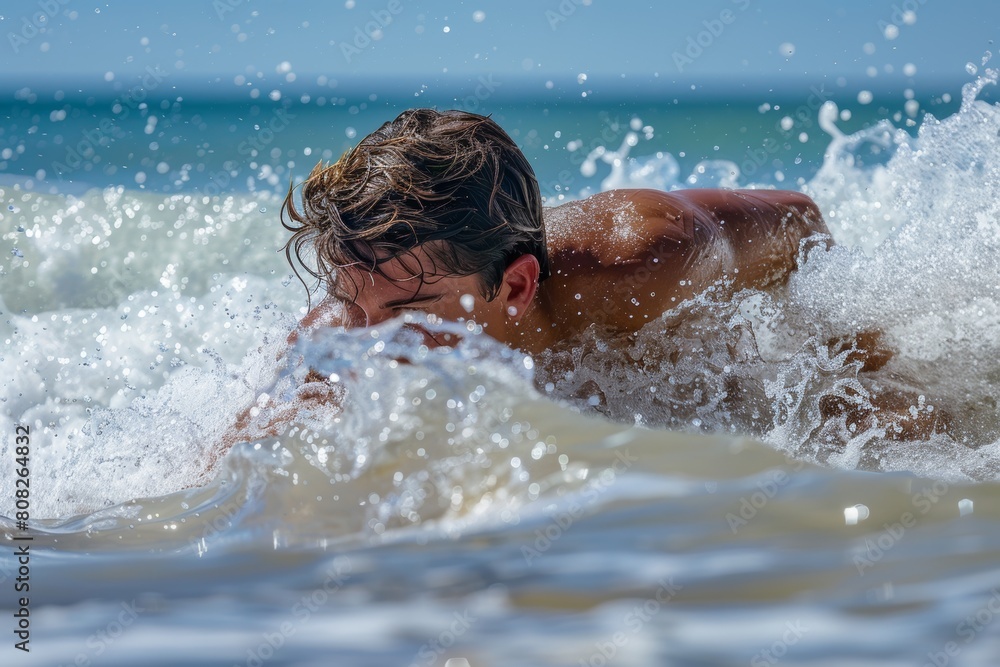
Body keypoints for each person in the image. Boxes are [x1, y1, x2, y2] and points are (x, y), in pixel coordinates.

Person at [282, 108, 830, 357]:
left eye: (408, 312)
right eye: (350, 303)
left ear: (517, 287)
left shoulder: (648, 259)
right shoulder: (337, 334)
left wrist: (854, 359)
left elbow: (801, 218)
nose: (368, 344)